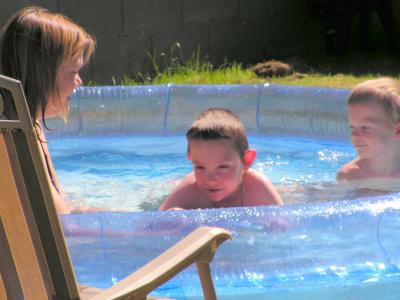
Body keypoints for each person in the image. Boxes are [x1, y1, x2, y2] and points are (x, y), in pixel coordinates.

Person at [0, 6, 96, 213]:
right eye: (73, 71)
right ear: (42, 74)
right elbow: (63, 222)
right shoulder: (13, 138)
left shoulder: (29, 125)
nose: (79, 81)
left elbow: (63, 210)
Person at [160, 108, 283, 210]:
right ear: (190, 159)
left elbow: (285, 226)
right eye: (200, 167)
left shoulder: (257, 188)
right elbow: (152, 226)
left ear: (246, 161)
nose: (211, 179)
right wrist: (172, 219)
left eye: (223, 167)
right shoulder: (190, 189)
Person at [337, 77, 400, 181]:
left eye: (365, 127)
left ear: (397, 130)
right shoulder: (350, 176)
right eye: (352, 127)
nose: (354, 136)